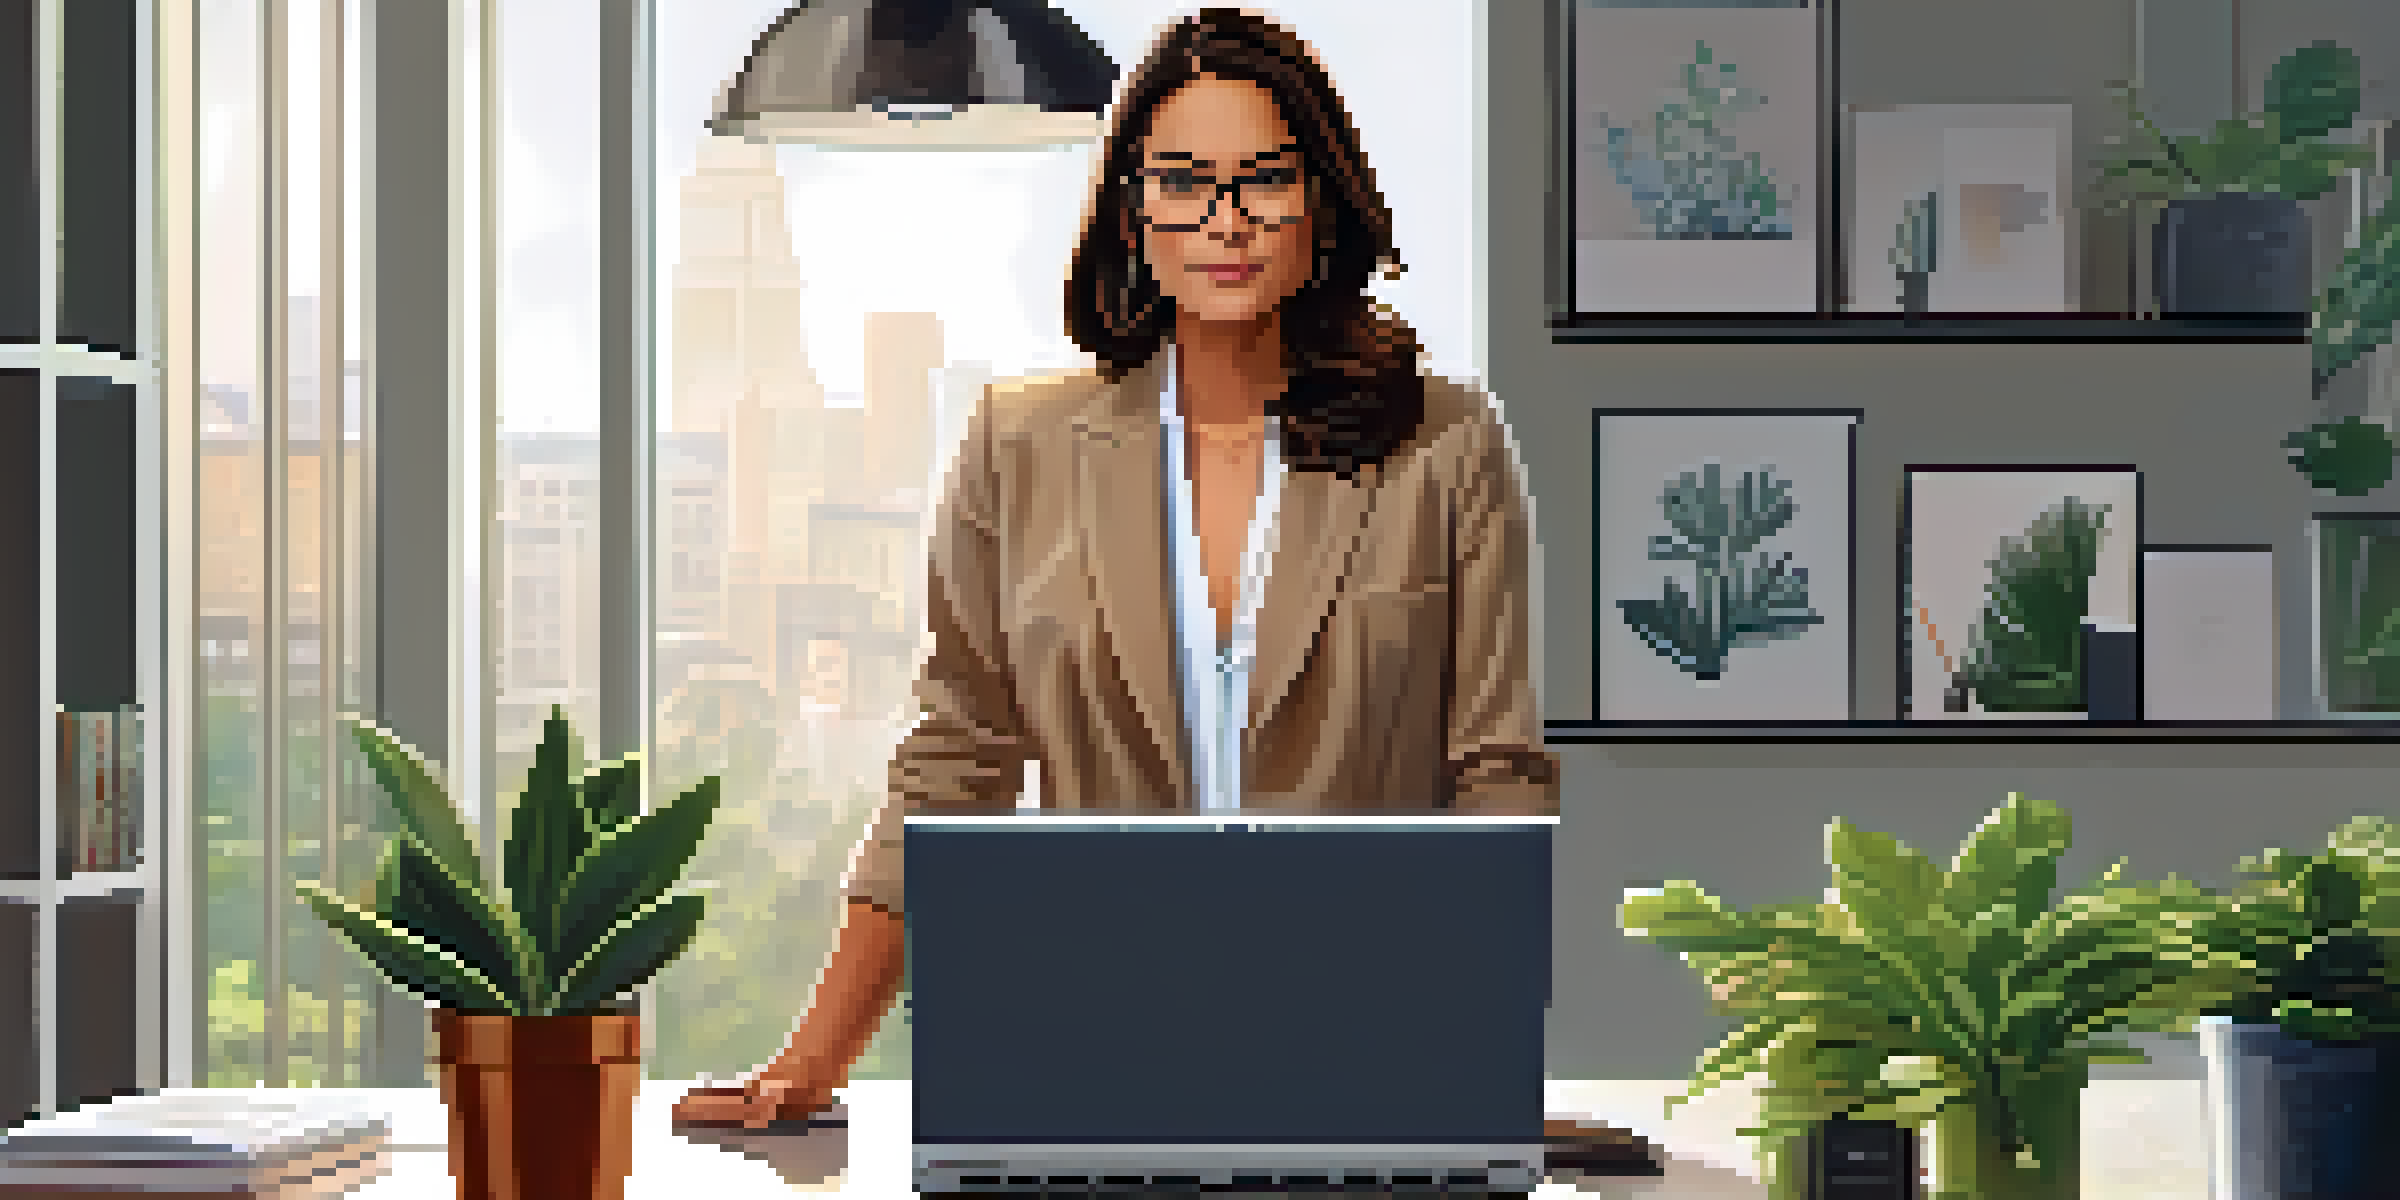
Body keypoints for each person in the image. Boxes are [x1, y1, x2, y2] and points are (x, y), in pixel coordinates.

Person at [672, 5, 1559, 1130]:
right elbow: (954, 769)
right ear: (1133, 211)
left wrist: (1468, 1061)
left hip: (1371, 1054)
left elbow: (1498, 782)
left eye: (1265, 180)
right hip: (1098, 1051)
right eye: (1184, 182)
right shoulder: (1018, 445)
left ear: (1318, 201)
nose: (1225, 221)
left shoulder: (1445, 445)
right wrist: (811, 1066)